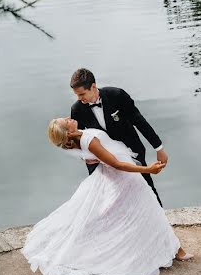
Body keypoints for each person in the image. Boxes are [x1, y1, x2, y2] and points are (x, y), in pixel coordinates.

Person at [21, 118, 192, 275]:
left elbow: (94, 157)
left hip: (116, 177)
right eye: (66, 121)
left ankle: (174, 250)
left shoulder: (81, 138)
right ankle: (176, 251)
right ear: (70, 132)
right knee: (151, 211)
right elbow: (117, 164)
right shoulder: (88, 141)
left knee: (143, 212)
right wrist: (148, 170)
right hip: (125, 178)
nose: (69, 118)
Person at [69, 68, 167, 206]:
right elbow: (79, 141)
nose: (79, 98)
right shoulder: (77, 109)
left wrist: (159, 148)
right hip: (103, 160)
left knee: (146, 187)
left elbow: (140, 122)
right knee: (109, 198)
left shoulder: (117, 95)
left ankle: (159, 220)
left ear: (93, 86)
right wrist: (87, 159)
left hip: (131, 151)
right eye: (77, 95)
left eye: (82, 94)